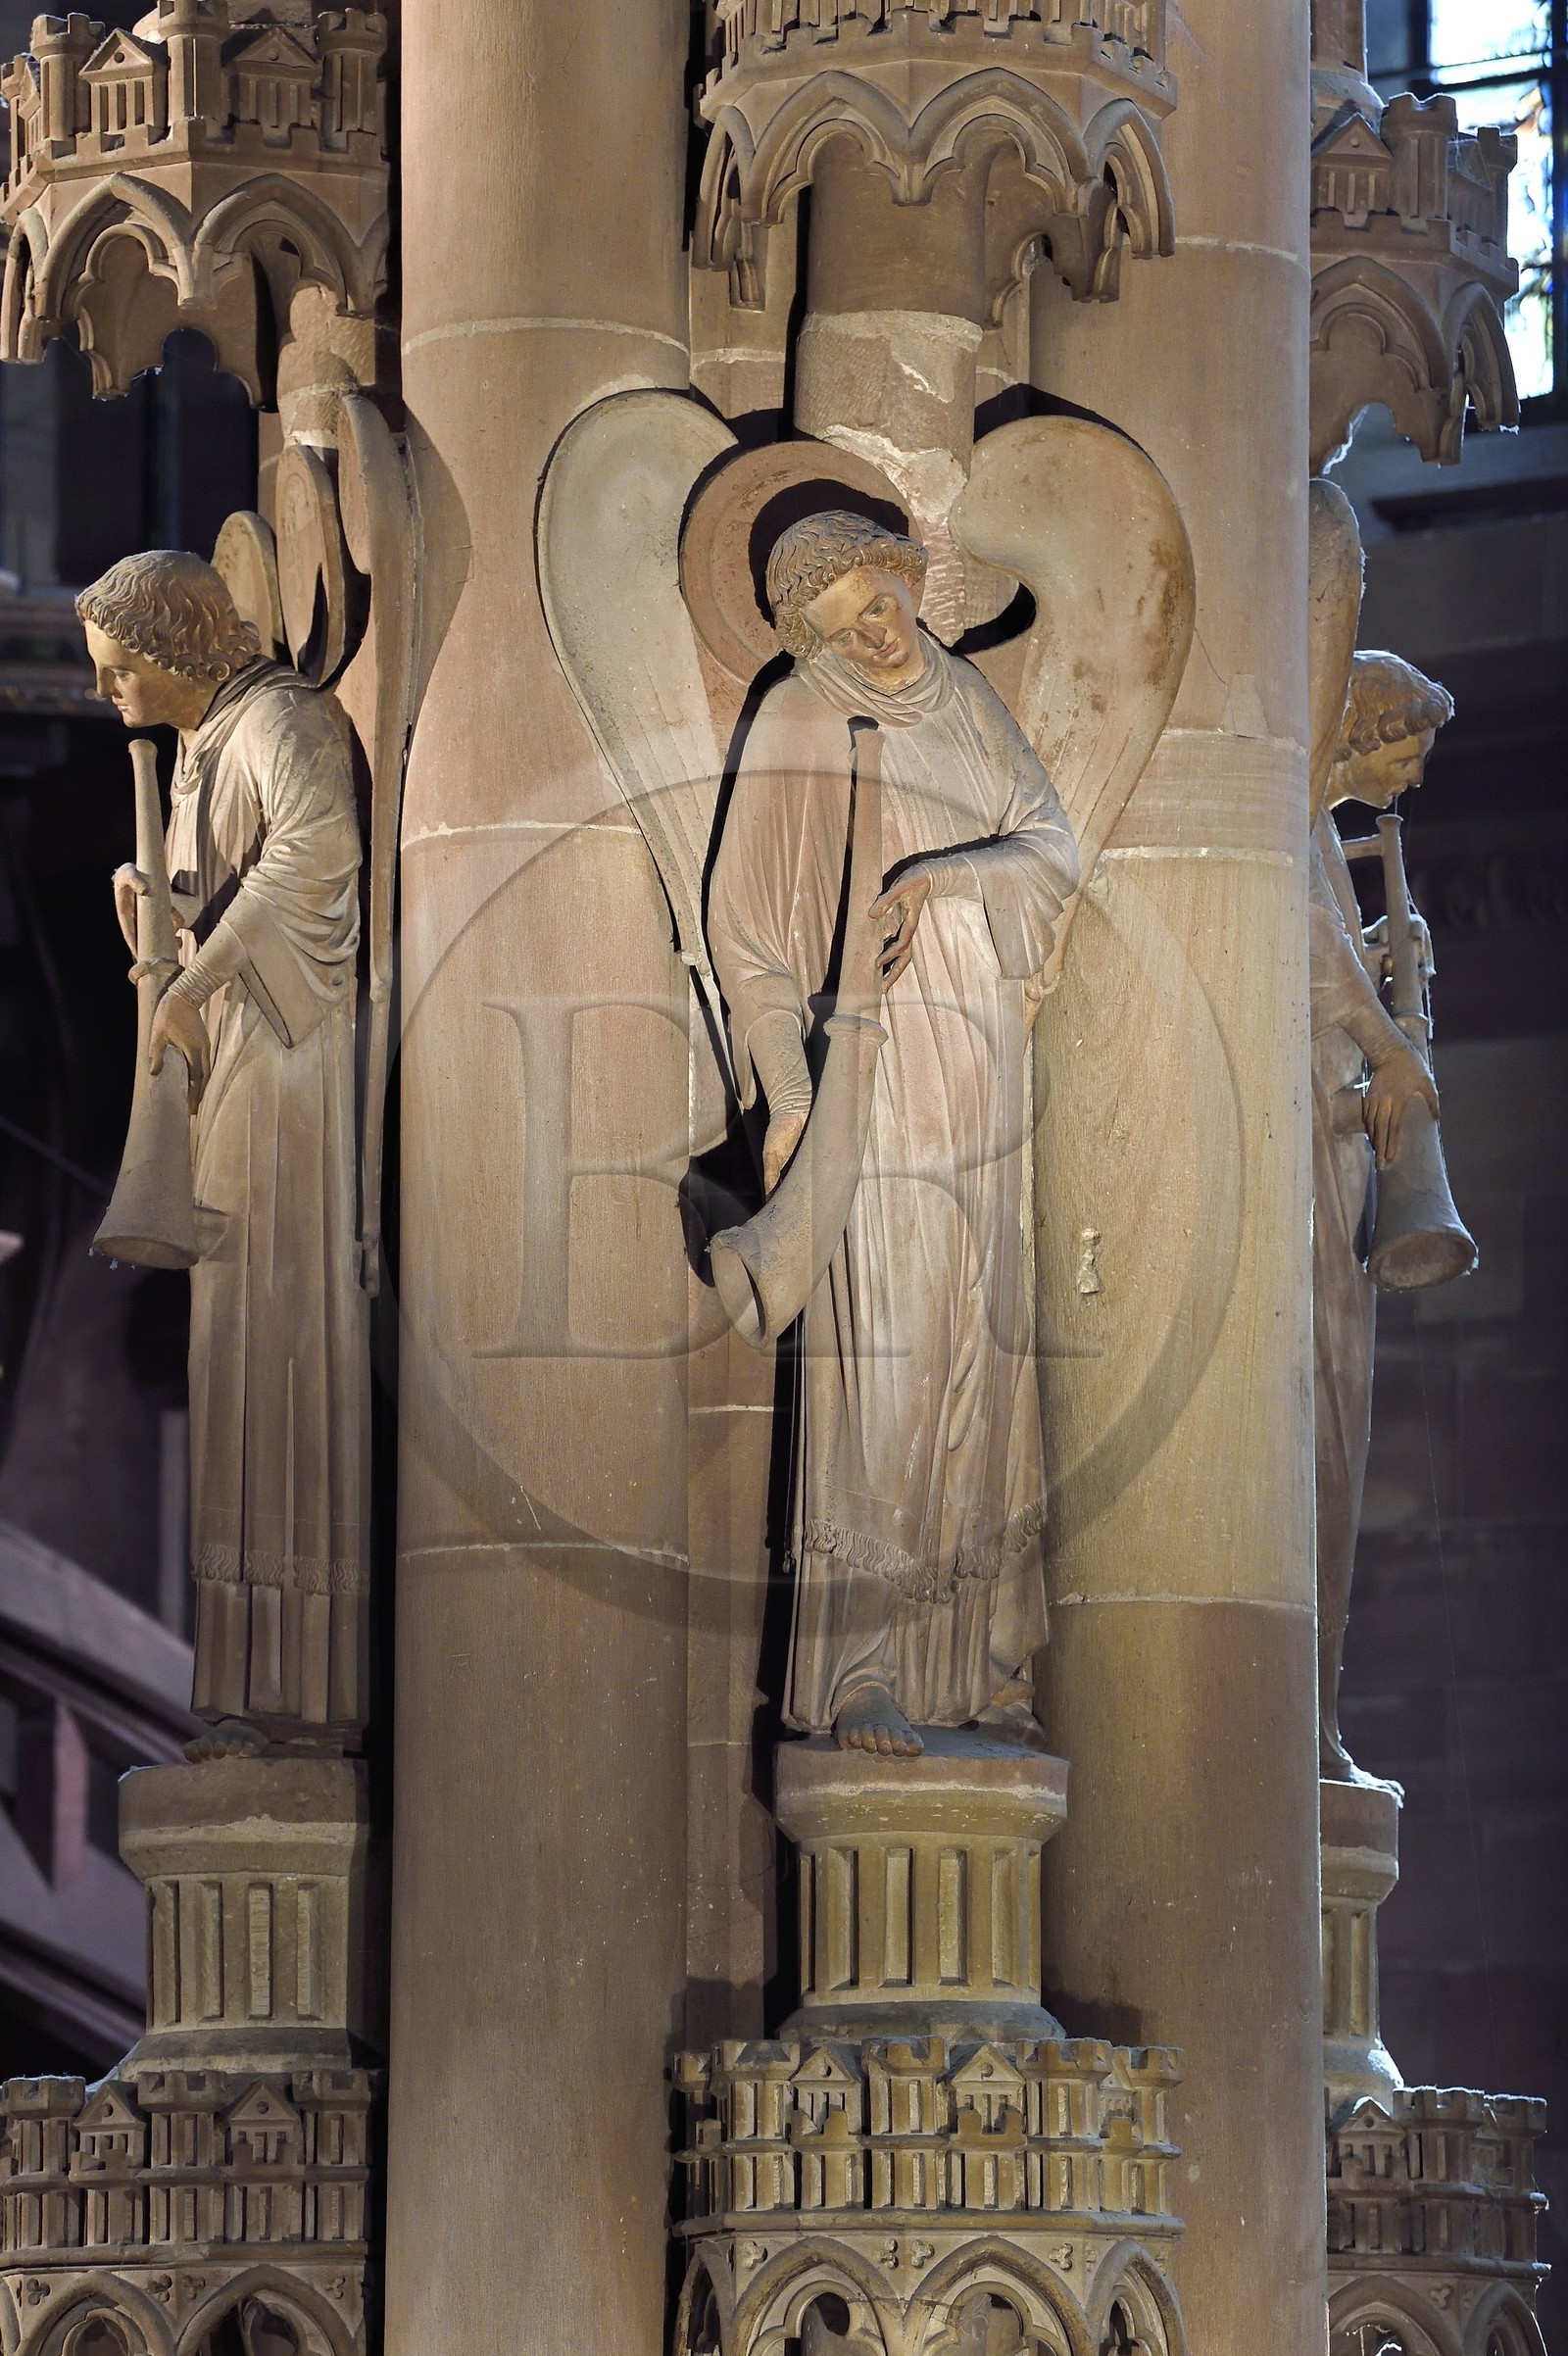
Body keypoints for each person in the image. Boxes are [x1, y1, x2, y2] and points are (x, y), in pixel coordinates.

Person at [707, 513, 1078, 1759]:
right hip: (876, 1067)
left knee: (982, 1341)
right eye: (843, 625)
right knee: (888, 1349)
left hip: (985, 1061)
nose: (876, 634)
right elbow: (746, 933)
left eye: (882, 601)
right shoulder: (799, 718)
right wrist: (789, 1096)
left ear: (910, 582)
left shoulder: (962, 697)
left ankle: (976, 1654)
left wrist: (938, 877)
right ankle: (858, 1664)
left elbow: (1051, 848)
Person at [79, 551, 368, 1749]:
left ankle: (306, 1679)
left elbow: (315, 857)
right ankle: (250, 1674)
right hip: (231, 1066)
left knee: (275, 1335)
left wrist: (194, 980)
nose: (106, 692)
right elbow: (221, 897)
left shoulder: (282, 723)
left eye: (119, 669)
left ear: (175, 645)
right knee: (233, 1344)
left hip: (289, 1068)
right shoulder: (202, 747)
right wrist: (156, 914)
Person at [1311, 647, 1453, 1778]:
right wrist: (1381, 1039)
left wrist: (1382, 972)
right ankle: (1296, 1714)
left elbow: (1326, 979)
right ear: (1357, 729)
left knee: (1338, 1444)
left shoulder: (1318, 836)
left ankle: (1313, 1709)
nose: (1408, 779)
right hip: (1301, 1169)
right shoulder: (1291, 823)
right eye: (1402, 754)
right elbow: (1298, 977)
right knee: (1315, 1436)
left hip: (1336, 1163)